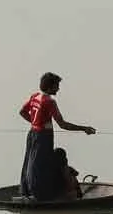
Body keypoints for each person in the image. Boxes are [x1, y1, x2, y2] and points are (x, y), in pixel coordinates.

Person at [18, 72, 96, 200]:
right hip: (43, 136)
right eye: (57, 86)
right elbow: (62, 124)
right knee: (40, 164)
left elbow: (22, 112)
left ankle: (27, 189)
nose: (58, 89)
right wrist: (84, 128)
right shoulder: (49, 101)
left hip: (32, 134)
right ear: (51, 86)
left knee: (31, 162)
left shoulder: (35, 96)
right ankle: (41, 192)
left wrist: (35, 123)